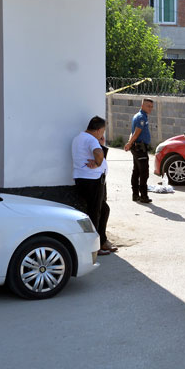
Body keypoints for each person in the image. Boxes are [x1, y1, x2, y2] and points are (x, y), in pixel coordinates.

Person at [72, 116, 116, 255]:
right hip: (93, 180)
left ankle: (101, 241)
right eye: (102, 131)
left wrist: (100, 145)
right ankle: (94, 247)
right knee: (95, 212)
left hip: (82, 178)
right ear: (98, 130)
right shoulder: (91, 139)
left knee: (103, 210)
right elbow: (98, 153)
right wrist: (98, 162)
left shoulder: (79, 137)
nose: (102, 134)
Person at [124, 98, 154, 203]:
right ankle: (143, 196)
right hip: (139, 148)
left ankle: (135, 195)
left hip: (137, 147)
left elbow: (132, 132)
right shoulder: (141, 117)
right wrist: (130, 143)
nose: (150, 108)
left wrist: (129, 143)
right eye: (148, 106)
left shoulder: (139, 115)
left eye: (151, 106)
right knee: (144, 172)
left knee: (136, 171)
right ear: (142, 106)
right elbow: (136, 132)